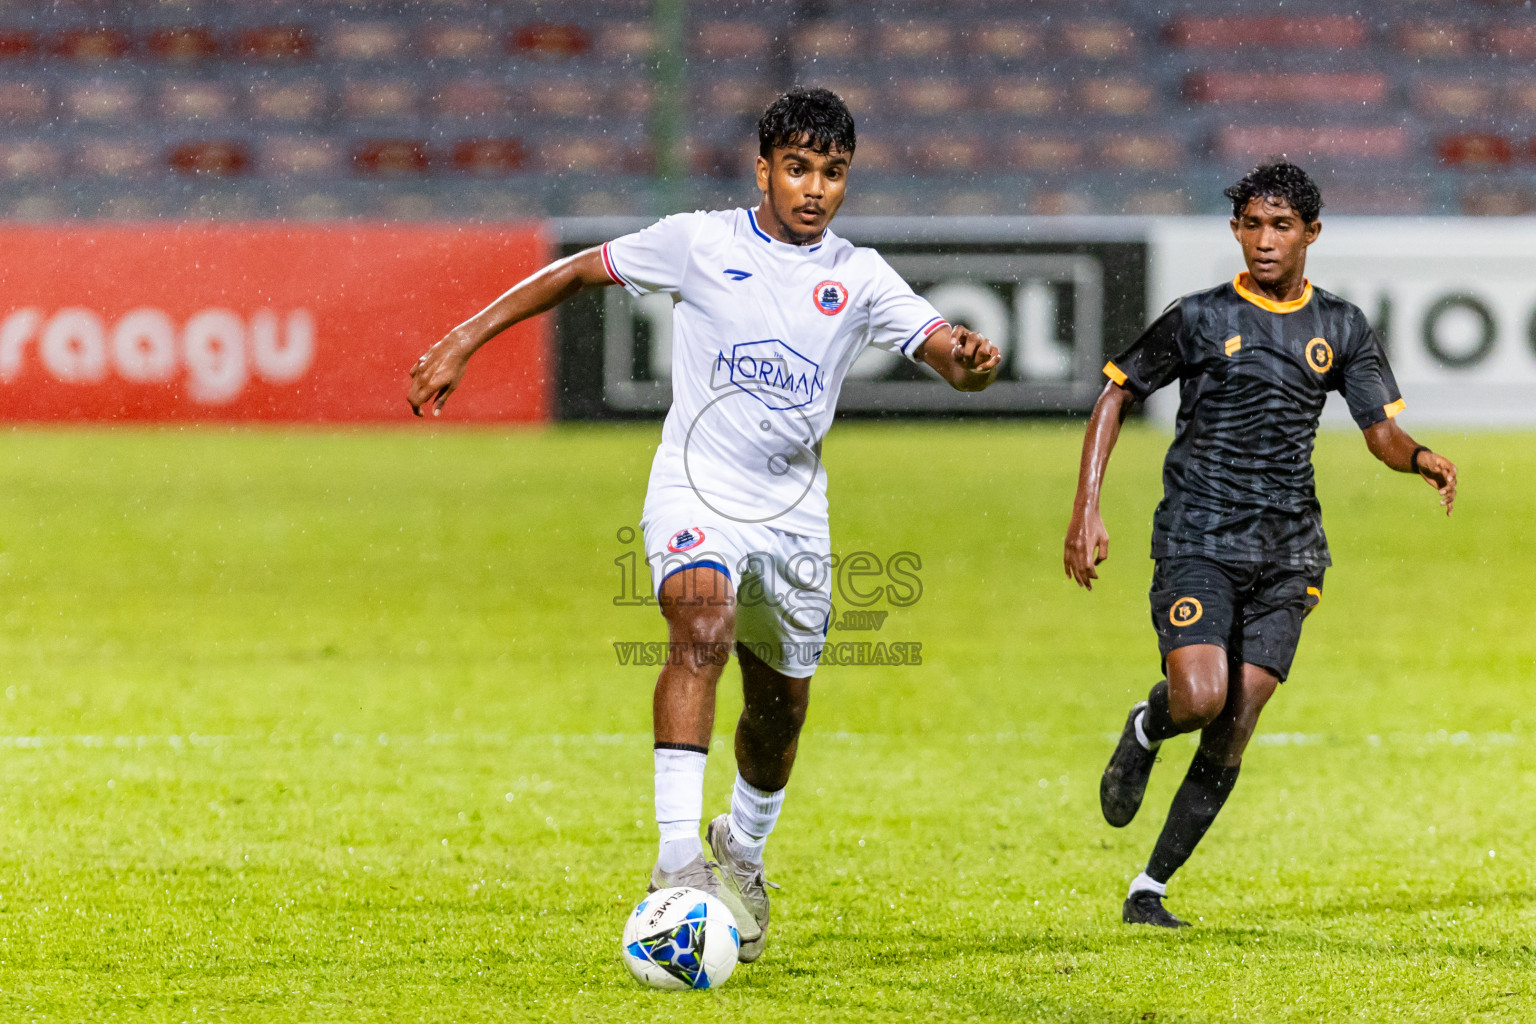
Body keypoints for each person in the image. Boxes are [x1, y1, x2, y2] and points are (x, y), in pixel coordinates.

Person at [407, 88, 1000, 960]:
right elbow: (575, 271)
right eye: (797, 168)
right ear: (763, 169)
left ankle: (741, 850)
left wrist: (974, 362)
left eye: (832, 174)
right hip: (698, 490)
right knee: (701, 628)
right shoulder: (697, 241)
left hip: (796, 514)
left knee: (780, 712)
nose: (814, 188)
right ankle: (678, 860)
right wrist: (465, 336)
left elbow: (948, 355)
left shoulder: (862, 275)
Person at [1062, 161, 1458, 928]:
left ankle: (1151, 888)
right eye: (1251, 224)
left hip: (1290, 552)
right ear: (1235, 229)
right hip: (1199, 537)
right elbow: (1116, 393)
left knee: (1237, 715)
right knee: (1200, 697)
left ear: (1311, 233)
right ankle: (1149, 725)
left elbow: (1379, 431)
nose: (1264, 239)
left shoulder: (1340, 326)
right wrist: (1087, 510)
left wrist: (1418, 457)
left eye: (1281, 226)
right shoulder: (1201, 316)